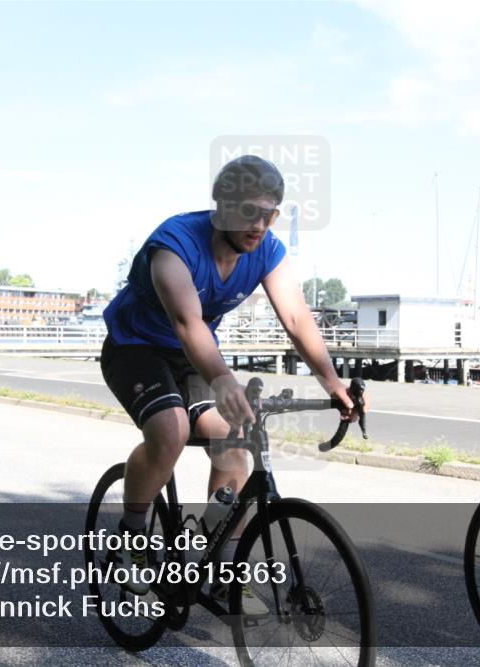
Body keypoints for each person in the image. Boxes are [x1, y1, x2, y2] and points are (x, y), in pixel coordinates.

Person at [101, 155, 363, 613]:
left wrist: (332, 382)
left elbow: (297, 317)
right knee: (172, 430)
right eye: (249, 211)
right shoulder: (174, 244)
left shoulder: (266, 250)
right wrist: (221, 377)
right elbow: (187, 323)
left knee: (235, 435)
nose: (259, 224)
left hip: (193, 357)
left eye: (269, 213)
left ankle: (224, 570)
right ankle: (132, 535)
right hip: (136, 348)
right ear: (221, 206)